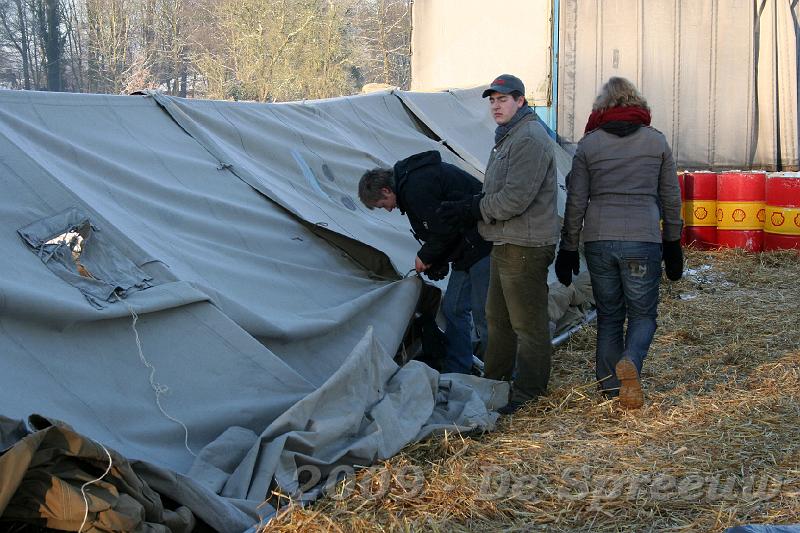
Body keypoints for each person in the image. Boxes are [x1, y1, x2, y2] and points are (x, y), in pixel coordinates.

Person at [555, 76, 683, 409]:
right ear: (638, 103)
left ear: (601, 106)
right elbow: (671, 197)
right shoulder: (656, 143)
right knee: (643, 316)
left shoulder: (589, 145)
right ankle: (631, 362)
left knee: (610, 315)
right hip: (642, 240)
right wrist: (672, 242)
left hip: (598, 240)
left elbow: (576, 201)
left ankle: (611, 389)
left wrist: (569, 246)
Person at [438, 74, 559, 414]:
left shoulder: (529, 139)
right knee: (498, 320)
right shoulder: (509, 137)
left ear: (520, 101)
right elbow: (499, 194)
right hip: (505, 240)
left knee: (527, 323)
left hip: (525, 243)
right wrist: (477, 205)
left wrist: (474, 207)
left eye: (502, 99)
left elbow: (514, 199)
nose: (495, 105)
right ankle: (496, 383)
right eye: (492, 100)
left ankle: (529, 393)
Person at [358, 150, 492, 374]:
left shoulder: (416, 187)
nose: (388, 209)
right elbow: (444, 225)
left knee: (485, 314)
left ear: (386, 190)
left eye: (383, 204)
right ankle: (459, 369)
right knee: (453, 308)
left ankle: (505, 374)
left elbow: (442, 229)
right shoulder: (411, 185)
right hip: (466, 248)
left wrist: (427, 256)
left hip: (483, 243)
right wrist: (438, 260)